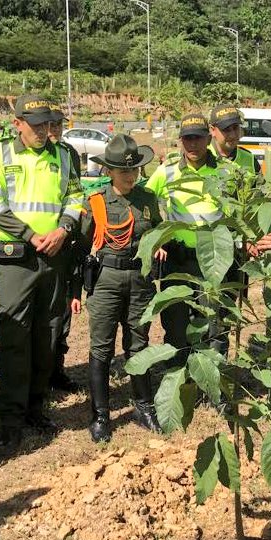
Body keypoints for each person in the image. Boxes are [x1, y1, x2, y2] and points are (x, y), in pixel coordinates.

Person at [0, 96, 84, 455]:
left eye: (47, 124)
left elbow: (75, 197)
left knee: (47, 333)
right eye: (35, 124)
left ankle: (36, 408)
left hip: (54, 256)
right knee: (14, 335)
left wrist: (64, 229)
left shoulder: (65, 155)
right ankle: (10, 420)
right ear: (17, 123)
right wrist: (29, 234)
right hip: (16, 259)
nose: (43, 131)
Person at [80, 135, 164, 442]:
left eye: (134, 170)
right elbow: (82, 246)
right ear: (110, 171)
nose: (130, 175)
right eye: (123, 171)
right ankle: (100, 414)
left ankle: (144, 406)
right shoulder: (97, 202)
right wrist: (73, 292)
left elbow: (156, 231)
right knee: (101, 347)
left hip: (140, 281)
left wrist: (159, 245)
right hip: (106, 281)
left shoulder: (148, 199)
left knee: (139, 344)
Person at [144, 114, 227, 366]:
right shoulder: (167, 171)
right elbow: (145, 200)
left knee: (215, 324)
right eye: (187, 139)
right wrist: (158, 236)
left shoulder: (224, 171)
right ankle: (179, 377)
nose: (193, 144)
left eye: (198, 138)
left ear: (208, 138)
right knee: (176, 324)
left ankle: (215, 383)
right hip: (178, 260)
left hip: (213, 259)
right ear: (180, 141)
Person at [47, 107, 83, 393]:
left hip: (65, 237)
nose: (55, 129)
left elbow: (75, 192)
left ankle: (56, 369)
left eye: (59, 124)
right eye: (51, 124)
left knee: (63, 311)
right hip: (37, 239)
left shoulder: (68, 153)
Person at [208, 105, 260, 174]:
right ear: (212, 130)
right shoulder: (200, 157)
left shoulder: (250, 159)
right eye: (226, 130)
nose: (232, 135)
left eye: (235, 128)